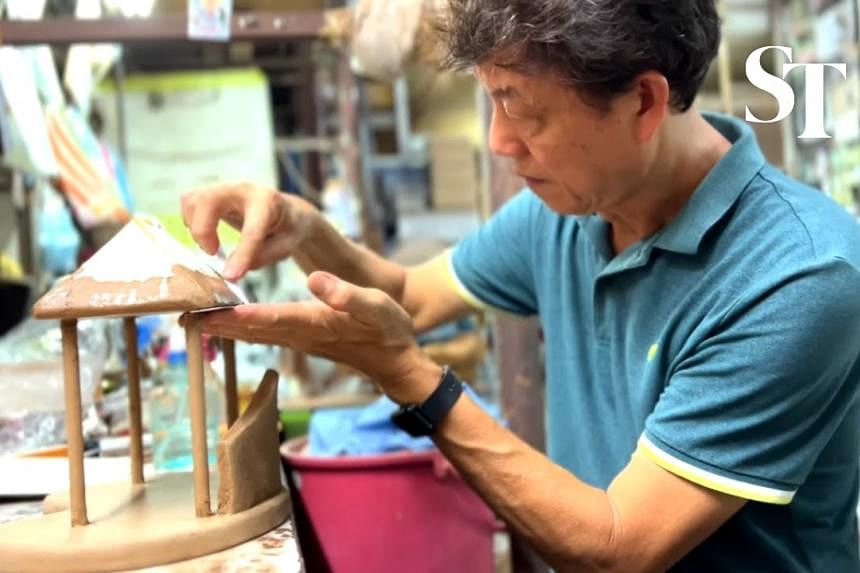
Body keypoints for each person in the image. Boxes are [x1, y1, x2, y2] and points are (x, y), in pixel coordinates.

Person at [181, 1, 860, 571]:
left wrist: (414, 379)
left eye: (521, 108)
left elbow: (620, 546)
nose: (500, 142)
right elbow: (412, 297)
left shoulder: (797, 274)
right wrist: (304, 231)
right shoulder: (568, 210)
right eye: (490, 102)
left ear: (645, 101)